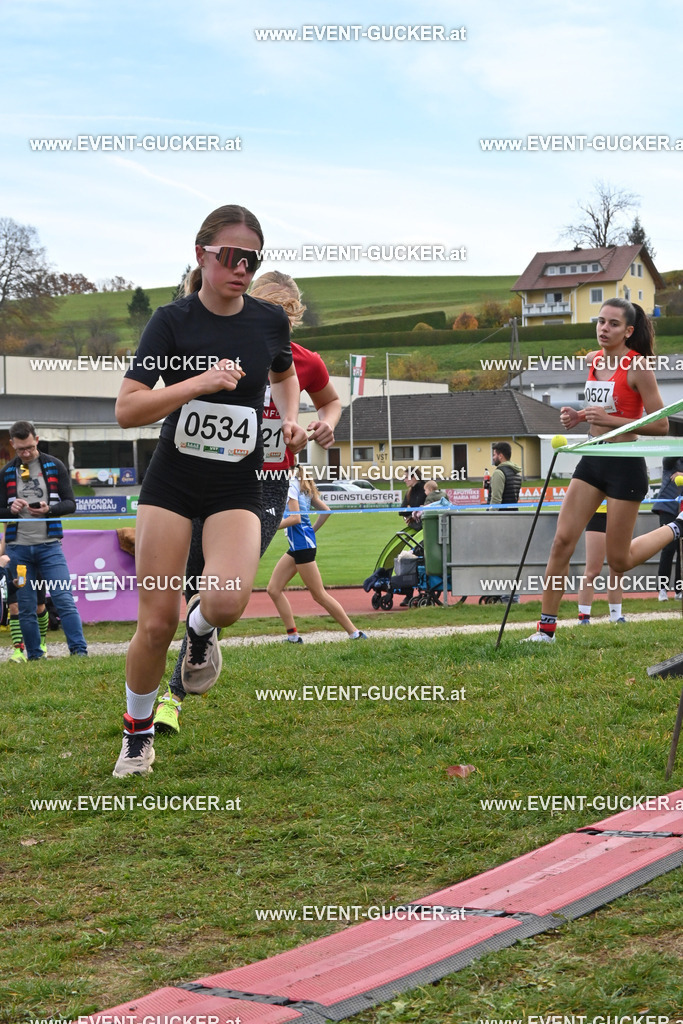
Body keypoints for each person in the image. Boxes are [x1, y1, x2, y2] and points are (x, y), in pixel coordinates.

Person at [112, 204, 306, 777]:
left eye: (253, 259)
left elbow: (284, 373)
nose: (242, 267)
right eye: (231, 256)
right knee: (154, 624)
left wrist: (289, 419)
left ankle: (202, 634)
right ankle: (137, 736)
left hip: (236, 482)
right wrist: (200, 381)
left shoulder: (269, 321)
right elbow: (127, 409)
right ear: (202, 255)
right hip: (172, 479)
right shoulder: (172, 322)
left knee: (225, 601)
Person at [153, 271, 342, 734]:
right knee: (194, 582)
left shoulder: (306, 362)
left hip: (268, 483)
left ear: (294, 316)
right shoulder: (227, 351)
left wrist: (325, 425)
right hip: (211, 475)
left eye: (286, 316)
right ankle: (198, 638)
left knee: (225, 589)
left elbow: (331, 402)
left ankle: (172, 696)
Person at [524, 299, 679, 643]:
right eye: (600, 321)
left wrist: (609, 421)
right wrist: (578, 417)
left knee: (619, 561)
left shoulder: (638, 367)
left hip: (626, 466)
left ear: (628, 331)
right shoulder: (593, 361)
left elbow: (662, 425)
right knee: (562, 540)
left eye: (612, 324)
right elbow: (601, 408)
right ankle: (545, 631)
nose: (603, 329)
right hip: (593, 459)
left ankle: (676, 527)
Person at [0, 420, 87, 660]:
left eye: (29, 447)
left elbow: (70, 504)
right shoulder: (7, 472)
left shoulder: (54, 465)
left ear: (36, 440)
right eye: (20, 449)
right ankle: (35, 657)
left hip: (50, 548)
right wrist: (11, 509)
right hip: (18, 551)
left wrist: (50, 509)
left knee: (63, 599)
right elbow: (0, 511)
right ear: (12, 445)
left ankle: (79, 653)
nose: (26, 453)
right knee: (26, 607)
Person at [266, 464, 367, 642]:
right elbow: (326, 511)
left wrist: (269, 527)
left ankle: (355, 633)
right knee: (273, 589)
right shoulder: (302, 484)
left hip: (302, 547)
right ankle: (293, 637)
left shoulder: (290, 485)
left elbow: (295, 518)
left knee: (319, 594)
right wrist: (311, 531)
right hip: (299, 546)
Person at [576, 506, 626, 624]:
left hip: (620, 513)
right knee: (592, 571)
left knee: (618, 569)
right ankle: (583, 619)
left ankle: (616, 616)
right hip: (598, 513)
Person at [652, 456, 683, 600]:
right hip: (668, 509)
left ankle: (679, 590)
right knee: (669, 548)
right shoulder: (672, 461)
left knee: (681, 551)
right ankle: (662, 589)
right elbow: (669, 456)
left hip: (681, 511)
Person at [489, 442, 522, 509]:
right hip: (513, 514)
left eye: (494, 455)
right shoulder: (516, 472)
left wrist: (490, 517)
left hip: (501, 516)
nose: (493, 458)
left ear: (500, 456)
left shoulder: (498, 473)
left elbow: (496, 500)